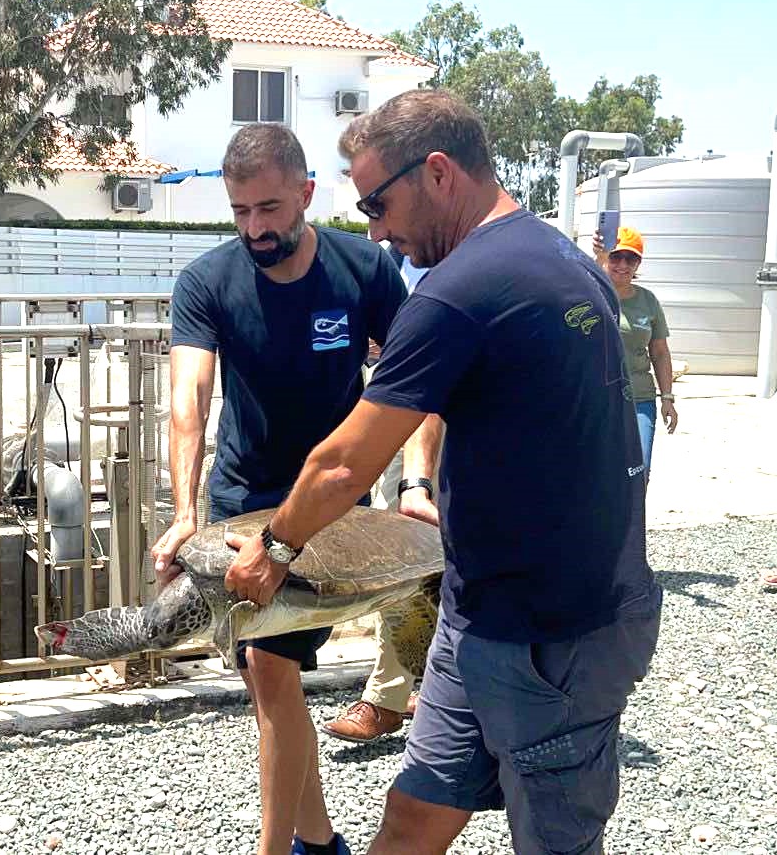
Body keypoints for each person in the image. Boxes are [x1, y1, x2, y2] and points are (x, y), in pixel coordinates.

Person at [224, 89, 662, 855]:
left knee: (555, 842)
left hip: (552, 634)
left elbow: (341, 462)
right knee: (413, 819)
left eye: (378, 206)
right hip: (481, 613)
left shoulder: (461, 292)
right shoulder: (559, 257)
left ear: (436, 173)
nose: (378, 232)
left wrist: (277, 548)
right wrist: (427, 491)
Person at [151, 122, 438, 855]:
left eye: (271, 209)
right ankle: (319, 841)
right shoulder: (206, 282)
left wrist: (416, 479)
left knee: (272, 673)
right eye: (241, 211)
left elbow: (420, 384)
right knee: (268, 678)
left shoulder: (363, 271)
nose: (255, 227)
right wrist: (184, 513)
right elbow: (189, 397)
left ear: (307, 194)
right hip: (240, 505)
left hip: (332, 512)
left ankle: (281, 851)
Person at [322, 247, 441, 743]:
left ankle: (446, 695)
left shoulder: (484, 252)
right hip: (403, 414)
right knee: (404, 561)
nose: (375, 224)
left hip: (475, 421)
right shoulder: (390, 259)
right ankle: (388, 697)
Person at [592, 226, 679, 479]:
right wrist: (598, 259)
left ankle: (631, 519)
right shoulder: (590, 293)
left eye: (630, 258)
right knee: (598, 471)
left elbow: (660, 353)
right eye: (616, 256)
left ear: (638, 263)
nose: (622, 264)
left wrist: (667, 398)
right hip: (598, 399)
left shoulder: (648, 301)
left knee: (639, 470)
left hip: (639, 398)